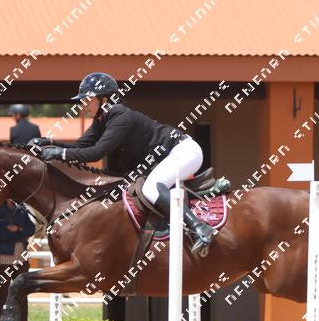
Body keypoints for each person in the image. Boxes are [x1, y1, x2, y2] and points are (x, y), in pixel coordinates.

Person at [29, 72, 216, 255]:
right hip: (170, 155)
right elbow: (81, 146)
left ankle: (200, 227)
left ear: (104, 99)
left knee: (151, 189)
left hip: (184, 152)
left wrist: (58, 153)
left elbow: (96, 152)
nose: (83, 104)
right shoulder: (103, 119)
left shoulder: (120, 116)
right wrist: (50, 143)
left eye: (87, 99)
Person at [0, 200, 35, 321]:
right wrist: (22, 232)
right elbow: (2, 235)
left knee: (22, 295)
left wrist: (18, 229)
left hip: (21, 258)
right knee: (3, 295)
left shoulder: (22, 209)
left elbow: (32, 229)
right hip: (2, 259)